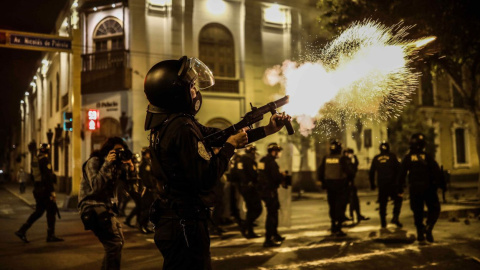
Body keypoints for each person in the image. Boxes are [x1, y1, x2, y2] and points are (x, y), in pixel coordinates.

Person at [143, 56, 290, 269]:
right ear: (176, 93)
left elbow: (218, 136)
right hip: (184, 225)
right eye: (191, 87)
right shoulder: (182, 128)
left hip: (175, 220)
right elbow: (206, 176)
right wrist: (229, 147)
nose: (195, 92)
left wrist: (267, 129)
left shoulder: (172, 123)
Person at [78, 137, 136, 269]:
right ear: (108, 151)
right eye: (116, 151)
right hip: (91, 206)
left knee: (118, 242)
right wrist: (107, 163)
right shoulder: (95, 162)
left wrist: (131, 168)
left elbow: (132, 190)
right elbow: (96, 187)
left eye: (122, 150)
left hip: (106, 208)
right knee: (114, 244)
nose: (119, 153)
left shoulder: (117, 166)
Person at [398, 133, 443, 243]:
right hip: (429, 188)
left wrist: (399, 188)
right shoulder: (427, 156)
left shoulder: (408, 158)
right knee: (435, 209)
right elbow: (436, 171)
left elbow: (401, 173)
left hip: (415, 188)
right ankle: (428, 227)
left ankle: (420, 235)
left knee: (417, 212)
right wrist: (442, 185)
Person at [15, 143, 63, 243]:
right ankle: (50, 235)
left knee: (39, 211)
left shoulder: (36, 159)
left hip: (37, 189)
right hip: (45, 190)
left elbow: (34, 176)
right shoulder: (45, 160)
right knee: (51, 211)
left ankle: (22, 230)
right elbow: (47, 177)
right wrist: (52, 192)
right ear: (47, 151)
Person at [317, 140, 354, 237]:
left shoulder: (326, 158)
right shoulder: (342, 158)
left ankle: (333, 225)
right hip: (340, 185)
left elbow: (320, 171)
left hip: (329, 186)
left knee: (332, 206)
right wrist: (349, 180)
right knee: (340, 207)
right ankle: (338, 227)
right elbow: (349, 172)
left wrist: (322, 182)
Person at [257, 143, 288, 247]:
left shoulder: (262, 161)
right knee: (272, 215)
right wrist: (282, 176)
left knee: (273, 213)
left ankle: (274, 234)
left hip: (265, 191)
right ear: (273, 152)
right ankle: (268, 239)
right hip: (270, 192)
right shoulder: (271, 162)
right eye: (278, 151)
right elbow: (276, 177)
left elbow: (261, 174)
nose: (279, 153)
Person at [369, 141, 403, 228]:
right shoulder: (392, 157)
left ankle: (383, 222)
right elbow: (399, 170)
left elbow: (371, 172)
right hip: (392, 184)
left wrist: (372, 184)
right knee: (398, 199)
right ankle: (395, 217)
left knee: (382, 203)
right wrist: (400, 184)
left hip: (382, 184)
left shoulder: (376, 158)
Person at [238, 144, 262, 239]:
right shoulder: (248, 160)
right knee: (256, 208)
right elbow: (253, 174)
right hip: (250, 188)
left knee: (251, 209)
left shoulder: (241, 160)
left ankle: (249, 230)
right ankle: (245, 227)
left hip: (244, 187)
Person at [344, 148, 369, 223]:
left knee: (355, 200)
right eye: (348, 153)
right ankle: (351, 215)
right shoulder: (344, 161)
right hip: (346, 183)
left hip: (351, 183)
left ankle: (357, 215)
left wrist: (354, 158)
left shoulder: (351, 160)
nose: (349, 155)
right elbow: (350, 171)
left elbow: (355, 166)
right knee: (350, 200)